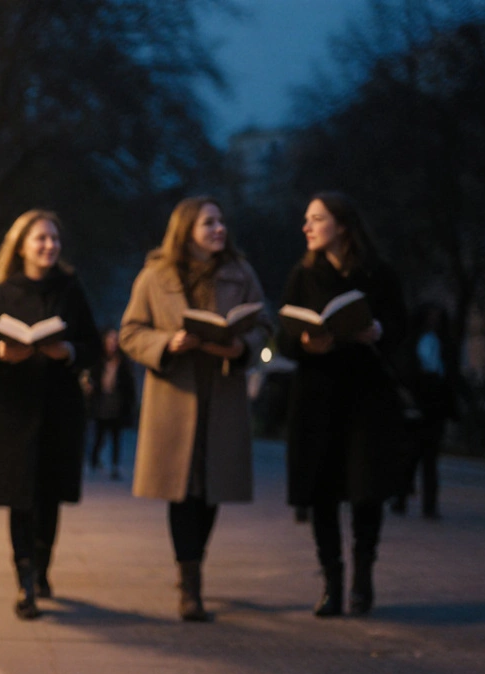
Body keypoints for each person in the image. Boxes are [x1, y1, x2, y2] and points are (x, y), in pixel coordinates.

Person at [119, 196, 272, 622]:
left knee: (212, 488)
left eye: (222, 221)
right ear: (186, 229)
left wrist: (241, 345)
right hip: (175, 395)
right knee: (182, 489)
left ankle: (194, 563)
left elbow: (263, 324)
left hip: (221, 394)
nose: (219, 229)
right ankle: (190, 581)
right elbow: (131, 332)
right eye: (209, 223)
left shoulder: (241, 273)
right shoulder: (156, 275)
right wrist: (166, 343)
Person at [0, 209, 101, 620]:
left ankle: (42, 568)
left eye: (54, 239)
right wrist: (2, 354)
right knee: (20, 496)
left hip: (60, 408)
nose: (49, 245)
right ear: (21, 245)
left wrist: (70, 351)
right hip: (14, 411)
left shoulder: (71, 290)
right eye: (40, 238)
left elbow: (92, 344)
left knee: (50, 494)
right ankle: (24, 579)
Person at [278, 191, 409, 618]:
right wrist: (304, 340)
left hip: (366, 397)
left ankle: (362, 579)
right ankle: (332, 581)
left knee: (366, 490)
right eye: (306, 219)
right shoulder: (302, 274)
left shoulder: (379, 274)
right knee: (322, 491)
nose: (307, 227)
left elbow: (400, 332)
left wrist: (378, 333)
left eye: (316, 218)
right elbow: (283, 337)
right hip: (317, 396)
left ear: (342, 225)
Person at [391, 303, 462, 519]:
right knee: (411, 455)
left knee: (430, 458)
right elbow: (404, 371)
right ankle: (401, 498)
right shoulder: (411, 343)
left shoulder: (444, 343)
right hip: (417, 403)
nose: (434, 321)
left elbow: (451, 373)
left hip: (435, 405)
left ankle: (429, 506)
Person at [84, 328, 136, 480]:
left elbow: (129, 386)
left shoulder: (123, 362)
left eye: (115, 340)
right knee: (99, 435)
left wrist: (129, 406)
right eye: (110, 340)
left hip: (117, 405)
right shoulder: (99, 361)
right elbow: (92, 378)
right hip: (101, 403)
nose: (112, 344)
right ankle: (93, 461)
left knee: (116, 437)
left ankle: (115, 465)